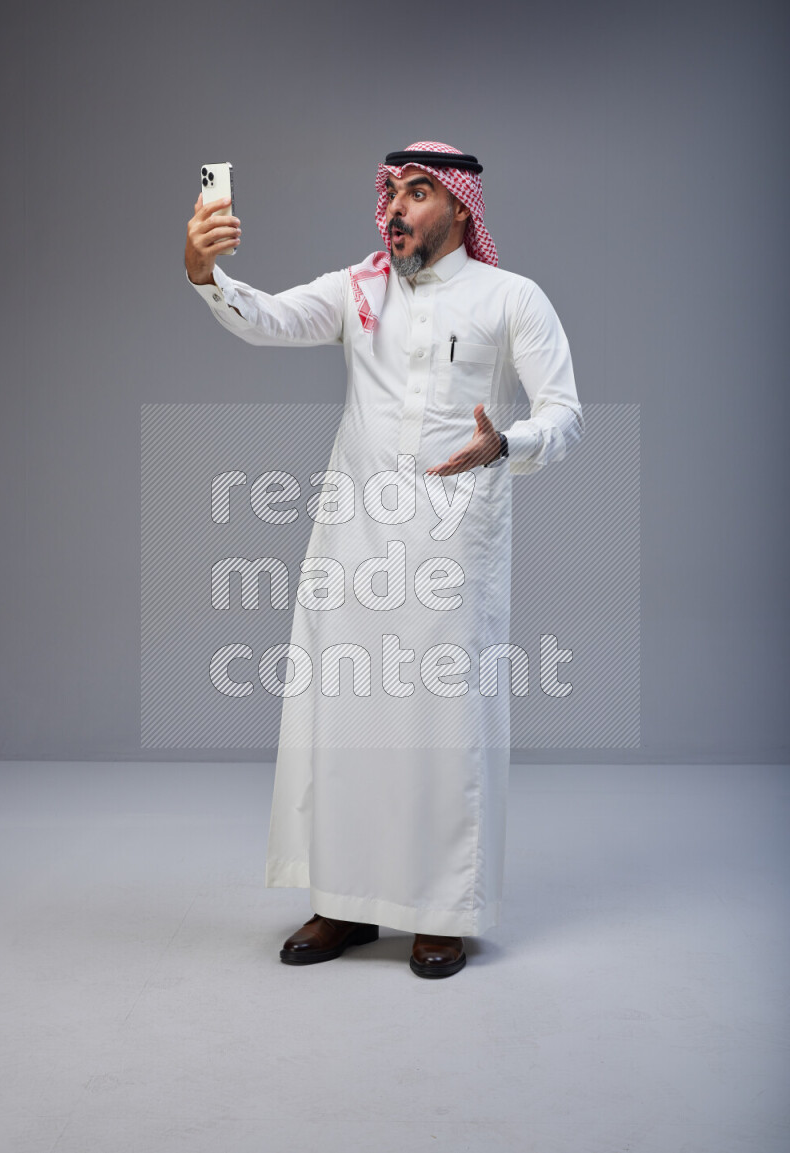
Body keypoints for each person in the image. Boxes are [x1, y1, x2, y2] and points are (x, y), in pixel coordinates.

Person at [185, 141, 583, 979]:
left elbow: (565, 414)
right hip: (353, 538)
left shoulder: (512, 297)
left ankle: (441, 912)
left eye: (419, 192)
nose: (397, 208)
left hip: (452, 542)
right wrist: (203, 273)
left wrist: (504, 443)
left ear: (463, 208)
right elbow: (269, 317)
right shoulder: (357, 288)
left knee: (439, 728)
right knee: (343, 720)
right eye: (392, 191)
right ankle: (342, 904)